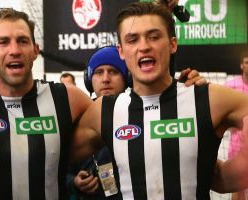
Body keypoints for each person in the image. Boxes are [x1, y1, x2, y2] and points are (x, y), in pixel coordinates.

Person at [71, 2, 248, 199]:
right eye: (132, 40)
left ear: (173, 44)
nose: (144, 46)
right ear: (121, 51)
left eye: (154, 37)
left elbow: (218, 178)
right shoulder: (104, 111)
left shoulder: (209, 98)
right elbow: (49, 155)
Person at [0, 8, 92, 200]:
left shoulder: (69, 99)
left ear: (35, 50)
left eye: (22, 41)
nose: (14, 50)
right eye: (3, 42)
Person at [68, 45, 206, 199]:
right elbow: (55, 165)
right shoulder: (79, 118)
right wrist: (74, 182)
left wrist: (183, 96)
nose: (105, 79)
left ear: (127, 77)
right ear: (88, 79)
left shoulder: (148, 112)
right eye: (99, 72)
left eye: (113, 72)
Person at [225, 50, 248, 200]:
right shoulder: (231, 85)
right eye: (247, 62)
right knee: (238, 188)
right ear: (241, 65)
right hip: (237, 147)